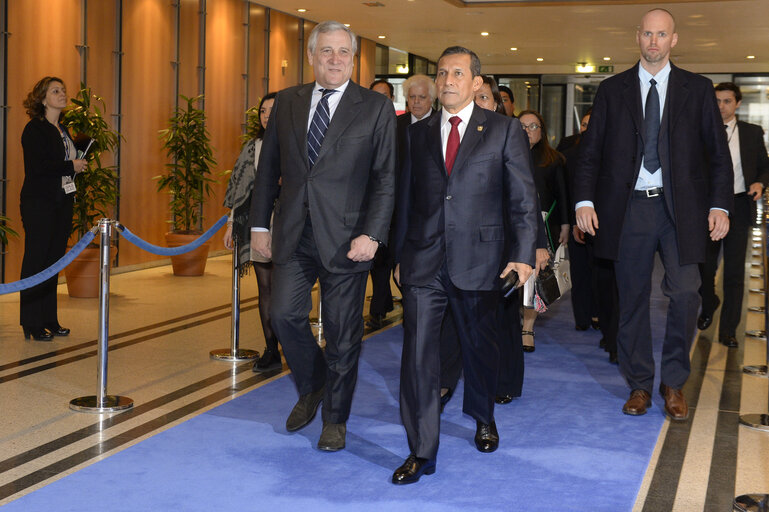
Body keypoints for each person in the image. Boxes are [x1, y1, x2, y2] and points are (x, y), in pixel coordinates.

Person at [574, 8, 733, 421]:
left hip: (682, 210)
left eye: (662, 34)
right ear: (638, 37)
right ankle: (640, 384)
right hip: (630, 210)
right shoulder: (612, 90)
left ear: (673, 40)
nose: (654, 42)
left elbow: (718, 156)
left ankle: (673, 382)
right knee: (631, 299)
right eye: (648, 33)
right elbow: (590, 154)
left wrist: (719, 205)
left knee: (685, 294)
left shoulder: (697, 90)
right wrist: (583, 201)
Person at [392, 46, 538, 484]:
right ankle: (421, 450)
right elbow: (404, 201)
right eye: (441, 74)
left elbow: (523, 198)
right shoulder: (415, 135)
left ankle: (483, 415)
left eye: (457, 73)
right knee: (417, 356)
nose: (447, 80)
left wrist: (523, 254)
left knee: (478, 349)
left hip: (482, 260)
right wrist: (399, 257)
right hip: (423, 261)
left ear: (476, 83)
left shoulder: (503, 130)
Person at [248, 21, 396, 452]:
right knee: (283, 316)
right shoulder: (289, 102)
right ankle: (313, 383)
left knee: (342, 331)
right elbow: (268, 169)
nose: (335, 59)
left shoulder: (374, 107)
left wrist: (373, 234)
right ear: (311, 56)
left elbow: (385, 178)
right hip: (294, 233)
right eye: (326, 51)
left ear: (354, 59)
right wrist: (260, 227)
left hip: (350, 239)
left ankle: (335, 417)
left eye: (343, 52)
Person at [698, 82, 769, 347]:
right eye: (717, 101)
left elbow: (765, 166)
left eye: (727, 101)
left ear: (737, 103)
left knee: (734, 273)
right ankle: (709, 302)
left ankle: (728, 330)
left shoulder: (751, 133)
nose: (721, 106)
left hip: (739, 205)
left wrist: (760, 182)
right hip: (709, 209)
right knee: (703, 268)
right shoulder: (702, 132)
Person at [19, 77, 87, 342]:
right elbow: (39, 167)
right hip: (39, 203)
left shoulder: (63, 129)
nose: (63, 94)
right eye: (56, 91)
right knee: (36, 261)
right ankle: (31, 323)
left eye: (63, 90)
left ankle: (49, 319)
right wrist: (71, 166)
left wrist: (77, 163)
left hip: (61, 203)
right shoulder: (34, 129)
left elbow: (62, 164)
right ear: (43, 98)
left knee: (54, 261)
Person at [223, 92, 280, 372]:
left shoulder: (296, 143)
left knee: (287, 291)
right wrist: (232, 223)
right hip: (259, 224)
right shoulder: (253, 147)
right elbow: (240, 190)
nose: (267, 116)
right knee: (266, 287)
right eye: (263, 111)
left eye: (272, 110)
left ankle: (291, 344)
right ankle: (271, 349)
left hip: (290, 224)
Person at [518, 109, 570, 352]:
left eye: (533, 126)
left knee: (534, 281)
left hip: (543, 228)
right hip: (512, 228)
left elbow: (562, 195)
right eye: (523, 126)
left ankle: (527, 327)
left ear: (542, 131)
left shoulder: (553, 159)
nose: (527, 131)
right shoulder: (506, 154)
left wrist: (566, 225)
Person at [366, 79, 396, 330]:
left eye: (384, 95)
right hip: (367, 204)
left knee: (388, 260)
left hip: (395, 204)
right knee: (376, 262)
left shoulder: (402, 125)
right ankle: (380, 304)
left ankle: (381, 304)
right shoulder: (360, 123)